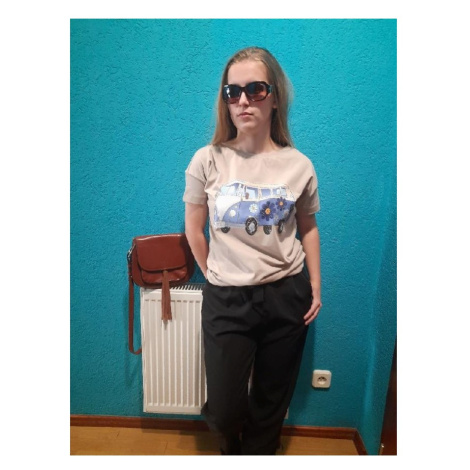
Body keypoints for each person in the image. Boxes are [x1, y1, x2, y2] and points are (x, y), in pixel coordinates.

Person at [183, 46, 322, 455]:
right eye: (233, 92)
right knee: (226, 409)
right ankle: (230, 445)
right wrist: (214, 273)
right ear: (225, 100)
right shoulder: (207, 160)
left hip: (286, 293)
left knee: (271, 404)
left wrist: (315, 286)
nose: (243, 100)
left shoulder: (299, 165)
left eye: (255, 89)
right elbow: (194, 228)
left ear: (274, 97)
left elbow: (308, 228)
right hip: (227, 298)